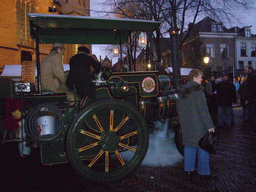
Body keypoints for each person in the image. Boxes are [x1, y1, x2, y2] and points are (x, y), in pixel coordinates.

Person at [178, 69, 215, 180]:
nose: (202, 79)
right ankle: (204, 172)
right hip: (198, 125)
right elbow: (203, 110)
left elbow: (179, 110)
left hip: (186, 124)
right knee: (203, 147)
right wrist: (210, 125)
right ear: (194, 77)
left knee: (189, 147)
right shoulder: (198, 91)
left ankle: (189, 170)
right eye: (200, 77)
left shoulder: (182, 90)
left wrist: (182, 123)